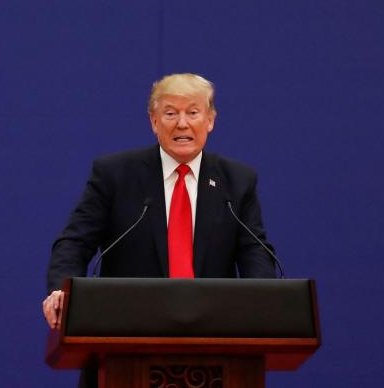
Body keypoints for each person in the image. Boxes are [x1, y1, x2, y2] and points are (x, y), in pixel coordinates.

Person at [43, 73, 277, 332]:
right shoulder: (115, 175)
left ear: (210, 120)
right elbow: (75, 242)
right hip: (126, 331)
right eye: (170, 113)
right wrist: (60, 290)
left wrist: (262, 299)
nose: (182, 124)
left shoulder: (237, 180)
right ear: (154, 122)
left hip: (213, 334)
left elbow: (255, 252)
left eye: (193, 112)